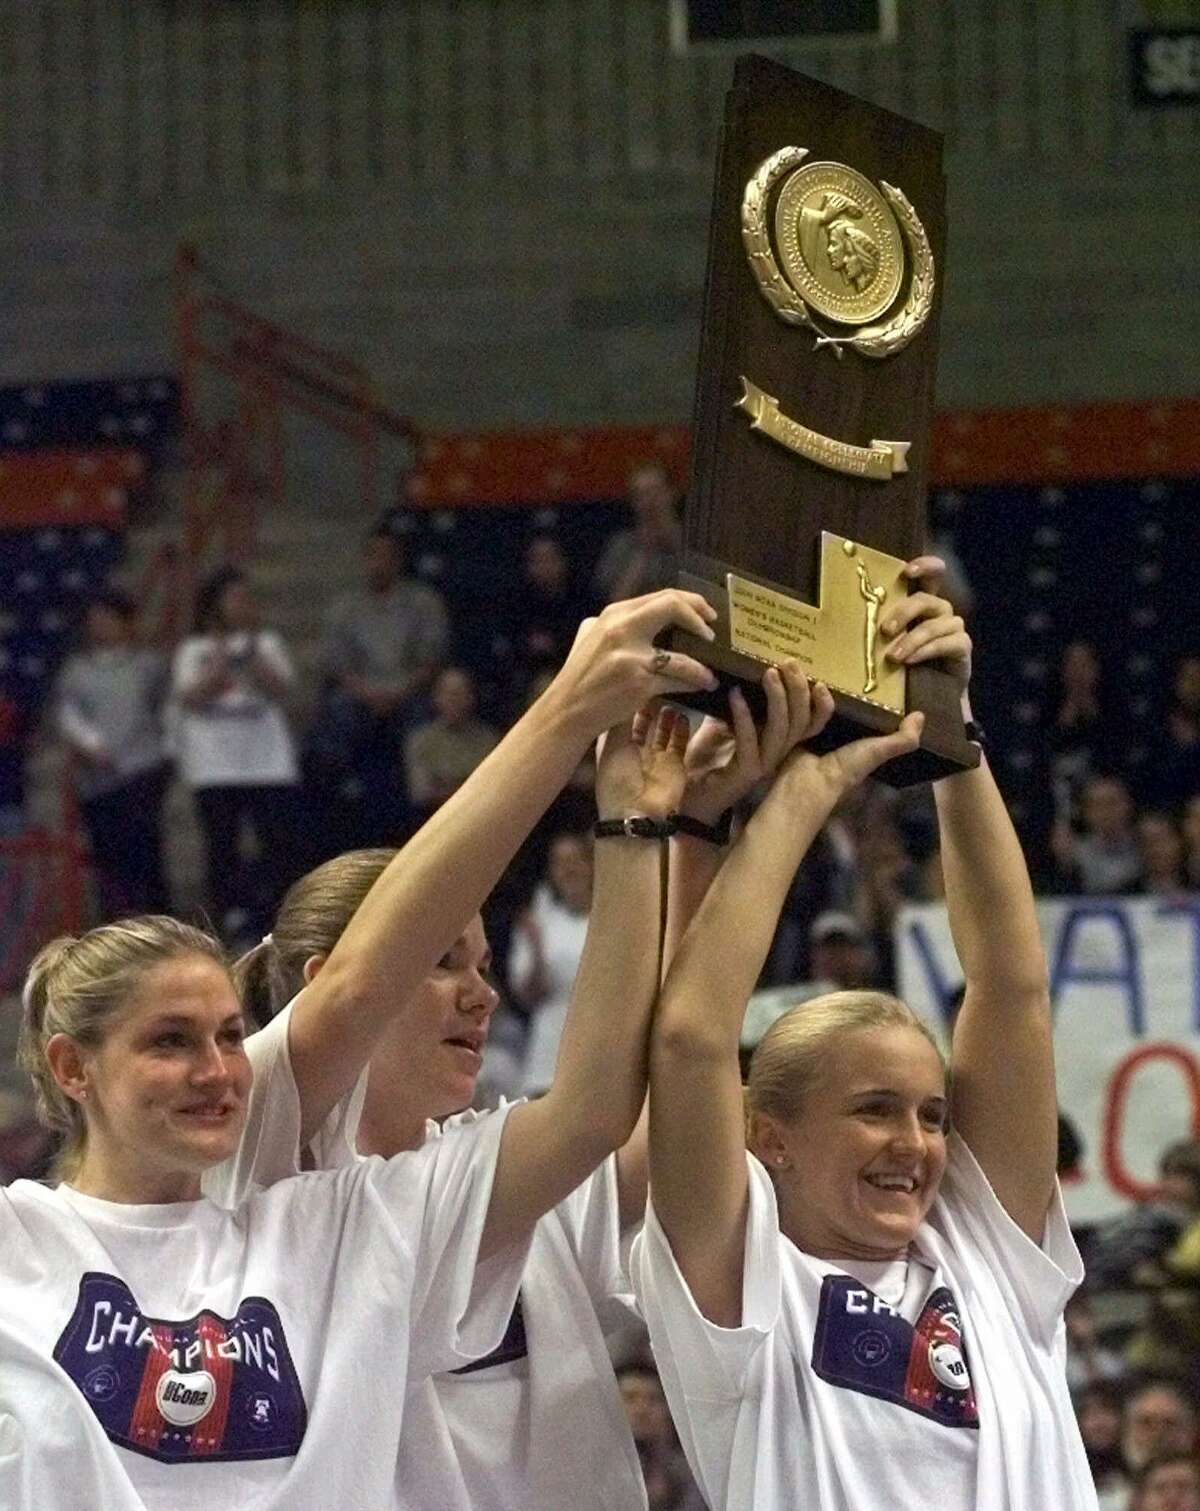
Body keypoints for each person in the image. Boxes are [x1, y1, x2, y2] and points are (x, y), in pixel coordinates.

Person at [2, 589, 722, 1506]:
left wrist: (666, 829)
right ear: (73, 1068)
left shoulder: (329, 1224)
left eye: (228, 1035)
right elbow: (358, 984)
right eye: (171, 1042)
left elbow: (596, 1107)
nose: (220, 1069)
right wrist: (566, 714)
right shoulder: (27, 1240)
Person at [633, 567, 1101, 1508]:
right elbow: (689, 1038)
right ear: (770, 1135)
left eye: (932, 1113)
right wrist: (807, 791)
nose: (919, 1144)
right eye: (876, 1109)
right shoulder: (735, 1275)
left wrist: (950, 737)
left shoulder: (982, 1245)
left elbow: (1010, 987)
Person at [171, 568, 302, 942]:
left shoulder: (268, 643)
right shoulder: (193, 649)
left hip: (268, 764)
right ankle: (226, 919)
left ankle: (277, 920)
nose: (244, 605)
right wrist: (219, 664)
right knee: (221, 847)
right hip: (215, 766)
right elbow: (189, 697)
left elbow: (282, 688)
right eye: (235, 598)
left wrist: (253, 654)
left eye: (248, 598)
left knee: (276, 846)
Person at [55, 590, 171, 914]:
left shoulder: (148, 666)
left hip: (142, 770)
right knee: (108, 858)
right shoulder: (76, 671)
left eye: (107, 619)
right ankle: (117, 922)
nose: (100, 626)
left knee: (147, 852)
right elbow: (69, 717)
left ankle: (158, 918)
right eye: (95, 621)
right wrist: (91, 746)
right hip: (98, 780)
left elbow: (165, 709)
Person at [509, 830, 594, 1093]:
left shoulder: (612, 919)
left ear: (591, 864)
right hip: (550, 1048)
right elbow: (527, 995)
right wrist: (535, 948)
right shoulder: (539, 921)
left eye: (574, 860)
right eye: (559, 863)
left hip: (600, 1039)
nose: (567, 870)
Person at [404, 665, 499, 817]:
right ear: (436, 698)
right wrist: (465, 785)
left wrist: (444, 784)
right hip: (433, 820)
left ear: (471, 698)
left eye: (459, 694)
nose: (453, 700)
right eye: (448, 694)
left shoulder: (488, 740)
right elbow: (422, 793)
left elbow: (492, 790)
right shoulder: (420, 741)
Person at [593, 462, 683, 605]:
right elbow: (615, 603)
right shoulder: (620, 545)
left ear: (671, 492)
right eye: (641, 495)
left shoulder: (694, 542)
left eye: (655, 491)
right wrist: (644, 552)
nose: (650, 501)